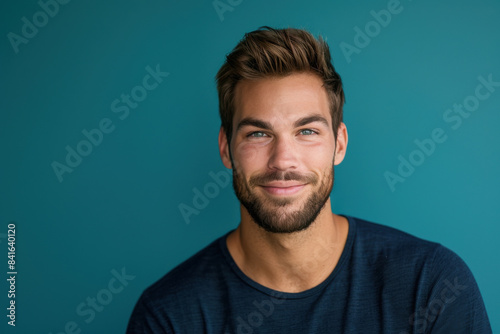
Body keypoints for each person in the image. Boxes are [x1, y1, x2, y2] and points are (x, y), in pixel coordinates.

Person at [126, 26, 491, 333]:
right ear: (226, 148)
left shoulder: (432, 285)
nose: (283, 160)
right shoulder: (169, 316)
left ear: (340, 144)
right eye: (258, 134)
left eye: (307, 131)